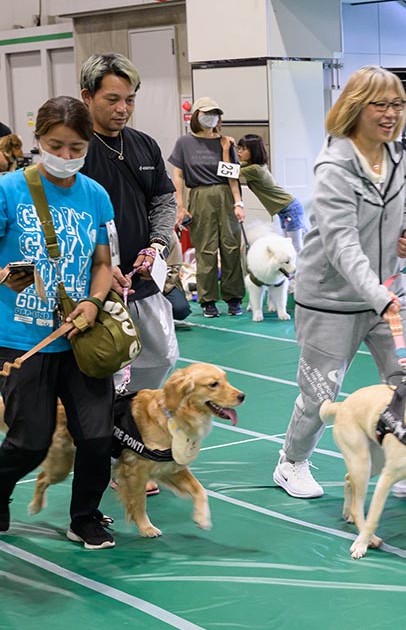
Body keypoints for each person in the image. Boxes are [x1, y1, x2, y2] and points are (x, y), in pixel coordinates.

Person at [272, 66, 406, 500]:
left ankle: (404, 457)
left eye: (398, 104)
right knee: (320, 392)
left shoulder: (397, 153)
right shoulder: (334, 167)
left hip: (386, 293)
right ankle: (292, 462)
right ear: (355, 108)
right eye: (379, 105)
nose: (390, 114)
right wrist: (379, 295)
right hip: (330, 300)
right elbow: (342, 244)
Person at [0, 96, 117, 548]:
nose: (66, 157)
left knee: (97, 435)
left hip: (81, 338)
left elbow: (104, 263)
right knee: (30, 442)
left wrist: (92, 301)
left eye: (76, 148)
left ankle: (84, 515)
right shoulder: (9, 190)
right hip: (20, 338)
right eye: (56, 145)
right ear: (38, 140)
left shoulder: (96, 195)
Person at [80, 53, 179, 395]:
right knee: (99, 371)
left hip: (143, 282)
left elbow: (164, 200)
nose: (122, 109)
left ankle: (127, 430)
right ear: (87, 97)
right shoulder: (76, 152)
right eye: (112, 100)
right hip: (93, 288)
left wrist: (157, 246)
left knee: (161, 358)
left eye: (130, 100)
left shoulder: (144, 144)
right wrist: (100, 265)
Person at [169, 97, 245, 318]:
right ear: (196, 115)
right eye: (206, 113)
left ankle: (234, 298)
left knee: (231, 247)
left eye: (215, 113)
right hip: (200, 195)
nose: (211, 117)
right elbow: (178, 175)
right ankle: (208, 300)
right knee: (206, 248)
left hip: (225, 194)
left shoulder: (226, 142)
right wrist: (180, 206)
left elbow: (231, 175)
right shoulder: (184, 143)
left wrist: (238, 203)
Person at [235, 134, 307, 253]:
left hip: (290, 208)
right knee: (289, 245)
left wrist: (226, 151)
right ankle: (294, 271)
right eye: (238, 149)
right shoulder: (253, 166)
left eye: (243, 149)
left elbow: (228, 171)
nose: (239, 152)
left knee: (295, 247)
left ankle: (302, 271)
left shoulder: (255, 170)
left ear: (254, 151)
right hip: (285, 209)